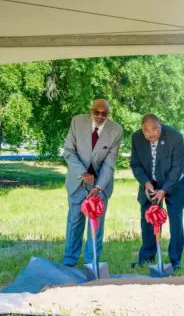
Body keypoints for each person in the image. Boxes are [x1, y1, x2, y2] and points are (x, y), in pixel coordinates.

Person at [63, 99, 123, 267]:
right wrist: (82, 172)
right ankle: (69, 262)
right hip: (77, 181)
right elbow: (68, 151)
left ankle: (92, 263)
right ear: (90, 111)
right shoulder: (77, 121)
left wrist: (98, 187)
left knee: (96, 225)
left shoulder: (116, 130)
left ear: (108, 114)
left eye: (104, 113)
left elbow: (110, 163)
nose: (100, 116)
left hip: (100, 185)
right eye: (96, 112)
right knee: (74, 221)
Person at [130, 114, 184, 270]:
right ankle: (146, 258)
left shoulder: (175, 137)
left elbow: (177, 168)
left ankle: (175, 261)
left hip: (174, 183)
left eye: (154, 129)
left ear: (161, 125)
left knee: (175, 219)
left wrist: (164, 190)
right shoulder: (137, 138)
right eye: (146, 131)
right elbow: (135, 164)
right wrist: (146, 183)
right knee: (147, 220)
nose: (150, 134)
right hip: (149, 184)